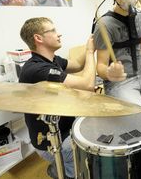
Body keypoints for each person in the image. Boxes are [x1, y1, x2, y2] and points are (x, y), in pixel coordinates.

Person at [19, 17, 96, 179]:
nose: (58, 34)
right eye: (52, 30)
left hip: (64, 129)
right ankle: (64, 170)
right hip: (52, 142)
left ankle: (62, 167)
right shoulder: (38, 69)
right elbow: (88, 84)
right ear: (38, 38)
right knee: (94, 152)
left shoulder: (51, 60)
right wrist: (89, 52)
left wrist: (91, 45)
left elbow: (77, 63)